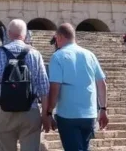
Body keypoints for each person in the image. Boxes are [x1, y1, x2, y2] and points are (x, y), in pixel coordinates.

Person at [0, 19, 50, 151]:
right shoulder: (35, 54)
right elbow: (44, 88)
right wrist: (45, 115)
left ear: (8, 34)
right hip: (31, 110)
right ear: (25, 35)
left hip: (5, 112)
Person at [43, 23, 108, 151]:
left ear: (60, 37)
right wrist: (104, 109)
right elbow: (102, 84)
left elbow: (55, 87)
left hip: (68, 115)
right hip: (89, 114)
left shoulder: (58, 56)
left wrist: (49, 111)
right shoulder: (90, 55)